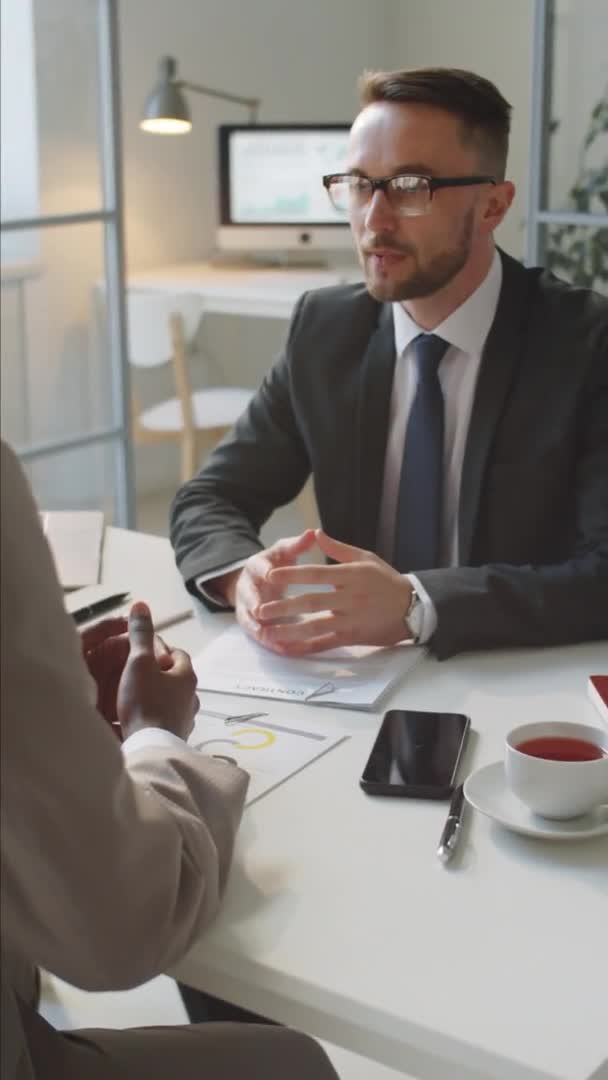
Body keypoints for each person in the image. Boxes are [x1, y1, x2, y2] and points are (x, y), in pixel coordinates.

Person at [170, 66, 608, 660]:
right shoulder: (326, 331)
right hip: (358, 680)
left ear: (492, 206)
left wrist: (417, 604)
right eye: (357, 184)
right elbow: (211, 497)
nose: (374, 220)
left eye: (410, 186)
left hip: (519, 675)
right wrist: (240, 576)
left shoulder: (586, 343)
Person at [0, 439, 339, 1080]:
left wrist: (47, 709)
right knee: (292, 1064)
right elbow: (119, 928)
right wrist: (157, 737)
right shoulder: (334, 334)